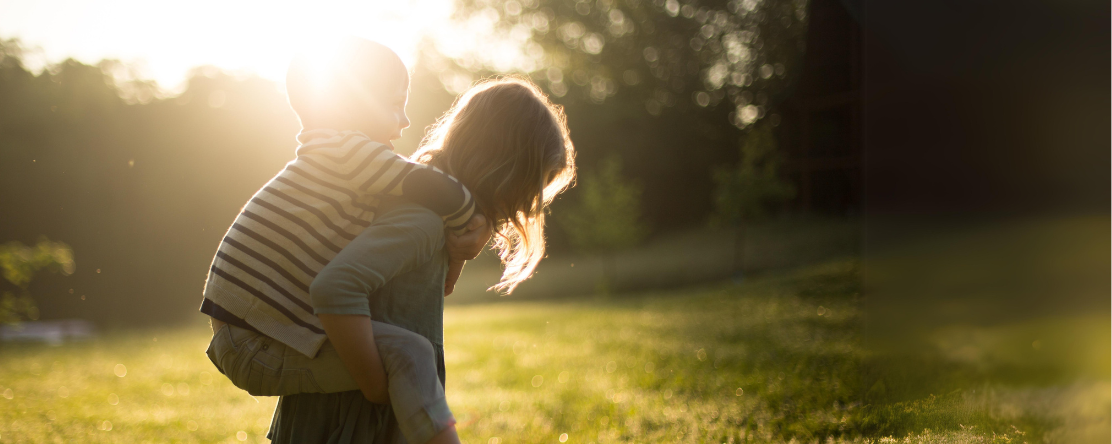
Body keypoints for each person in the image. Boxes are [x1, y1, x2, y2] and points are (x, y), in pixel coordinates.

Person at [200, 37, 493, 444]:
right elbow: (432, 186)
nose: (405, 120)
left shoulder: (334, 158)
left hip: (253, 334)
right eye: (394, 103)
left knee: (404, 354)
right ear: (349, 106)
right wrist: (472, 224)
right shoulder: (345, 152)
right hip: (255, 342)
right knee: (410, 354)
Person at [266, 77, 576, 443]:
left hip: (368, 409)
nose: (528, 204)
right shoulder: (422, 221)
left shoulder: (435, 215)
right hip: (352, 418)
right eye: (532, 184)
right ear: (503, 168)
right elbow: (336, 287)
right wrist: (377, 386)